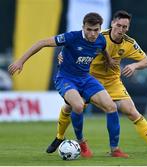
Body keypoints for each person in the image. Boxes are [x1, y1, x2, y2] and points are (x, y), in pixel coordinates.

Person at [46, 10, 147, 157]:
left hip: (113, 82)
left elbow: (146, 61)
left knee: (132, 111)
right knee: (70, 106)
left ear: (128, 28)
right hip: (90, 78)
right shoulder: (97, 36)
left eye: (125, 27)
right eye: (119, 25)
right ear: (112, 24)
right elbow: (75, 48)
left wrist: (134, 66)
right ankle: (59, 137)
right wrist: (62, 55)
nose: (121, 29)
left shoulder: (129, 44)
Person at [8, 12, 127, 158]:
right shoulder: (71, 37)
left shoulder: (101, 40)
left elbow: (103, 50)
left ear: (100, 28)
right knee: (77, 105)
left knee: (112, 106)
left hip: (85, 79)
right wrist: (21, 61)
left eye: (96, 29)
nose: (93, 34)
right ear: (83, 27)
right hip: (66, 79)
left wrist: (108, 60)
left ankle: (115, 149)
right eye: (89, 29)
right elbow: (42, 43)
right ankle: (81, 142)